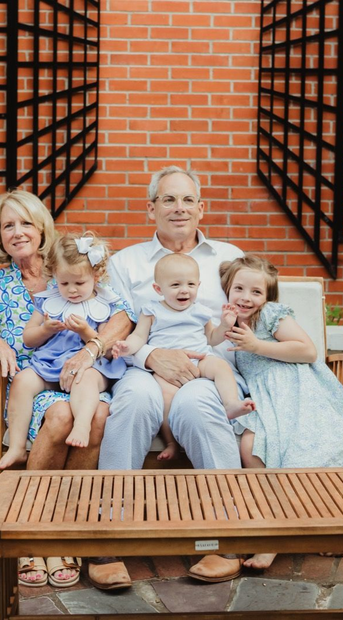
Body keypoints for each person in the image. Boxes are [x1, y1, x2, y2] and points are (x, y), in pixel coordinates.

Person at [0, 190, 133, 588]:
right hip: (31, 381)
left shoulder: (76, 266)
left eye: (26, 222)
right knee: (61, 414)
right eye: (8, 225)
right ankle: (30, 530)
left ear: (43, 227)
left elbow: (123, 318)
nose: (18, 232)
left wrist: (92, 347)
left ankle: (65, 529)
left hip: (84, 377)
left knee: (98, 412)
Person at [98, 164, 247, 584]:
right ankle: (107, 538)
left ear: (202, 208)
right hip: (143, 366)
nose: (178, 208)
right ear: (151, 208)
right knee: (132, 403)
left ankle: (226, 536)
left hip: (207, 369)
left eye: (187, 200)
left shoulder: (228, 258)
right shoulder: (125, 263)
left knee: (200, 407)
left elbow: (250, 312)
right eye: (168, 199)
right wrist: (151, 357)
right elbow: (119, 327)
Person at [219, 254, 343, 570]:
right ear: (227, 289)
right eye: (239, 289)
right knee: (250, 447)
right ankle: (273, 526)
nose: (246, 298)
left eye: (256, 292)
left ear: (267, 297)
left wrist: (257, 345)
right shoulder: (227, 320)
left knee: (304, 447)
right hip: (263, 395)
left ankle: (303, 533)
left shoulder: (271, 315)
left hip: (295, 388)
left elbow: (307, 350)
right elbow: (211, 341)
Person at [0, 231, 128, 471]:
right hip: (49, 365)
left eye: (80, 283)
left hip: (90, 368)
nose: (72, 290)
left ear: (96, 277)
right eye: (64, 283)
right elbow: (29, 338)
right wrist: (45, 329)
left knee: (85, 379)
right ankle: (16, 447)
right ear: (54, 275)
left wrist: (87, 331)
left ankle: (82, 425)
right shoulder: (48, 300)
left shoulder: (105, 303)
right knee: (23, 380)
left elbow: (105, 349)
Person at [112, 253, 254, 460]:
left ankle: (230, 403)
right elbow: (139, 336)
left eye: (190, 284)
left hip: (200, 360)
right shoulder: (152, 311)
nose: (184, 290)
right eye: (176, 284)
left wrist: (224, 324)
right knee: (166, 399)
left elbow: (212, 339)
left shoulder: (201, 312)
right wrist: (127, 346)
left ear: (198, 285)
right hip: (164, 368)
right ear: (158, 289)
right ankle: (171, 442)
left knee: (220, 367)